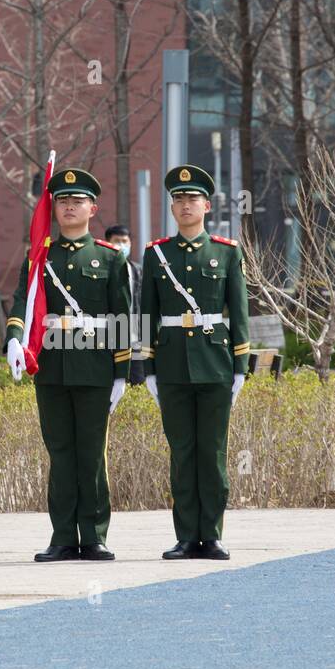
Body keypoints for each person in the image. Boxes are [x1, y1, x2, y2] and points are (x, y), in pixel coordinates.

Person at [5, 168, 132, 562]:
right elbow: (21, 303)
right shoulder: (40, 257)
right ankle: (62, 536)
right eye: (62, 200)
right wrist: (13, 338)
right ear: (53, 207)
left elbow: (121, 317)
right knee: (60, 452)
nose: (70, 207)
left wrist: (121, 373)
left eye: (78, 201)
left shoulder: (109, 259)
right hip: (52, 366)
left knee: (91, 453)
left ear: (92, 208)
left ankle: (93, 535)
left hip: (94, 367)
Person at [140, 164, 250, 561]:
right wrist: (147, 367)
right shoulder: (157, 254)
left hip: (215, 363)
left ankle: (213, 533)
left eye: (192, 199)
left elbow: (238, 312)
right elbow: (146, 314)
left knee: (213, 452)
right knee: (182, 453)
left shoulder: (226, 251)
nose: (185, 205)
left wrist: (241, 366)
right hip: (171, 366)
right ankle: (187, 535)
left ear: (206, 205)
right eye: (178, 199)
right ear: (172, 207)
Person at [104, 224, 146, 385]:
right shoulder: (100, 270)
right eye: (116, 241)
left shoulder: (138, 270)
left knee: (138, 383)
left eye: (124, 241)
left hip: (136, 339)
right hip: (107, 340)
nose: (121, 245)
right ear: (108, 243)